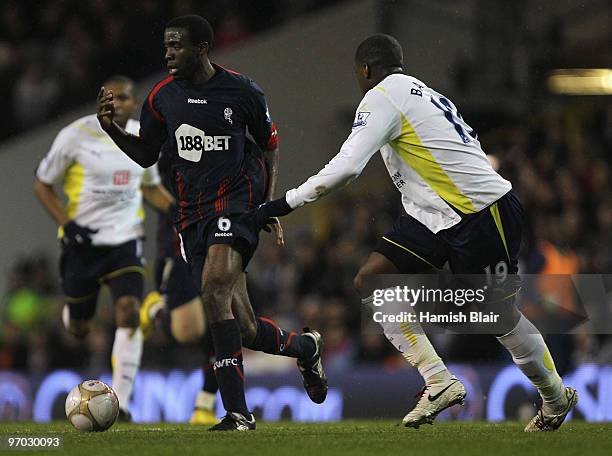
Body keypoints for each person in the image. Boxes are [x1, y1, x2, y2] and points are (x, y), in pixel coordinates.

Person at [251, 34, 578, 432]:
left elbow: (348, 166)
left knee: (497, 317)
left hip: (480, 211)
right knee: (372, 279)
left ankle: (555, 398)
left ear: (365, 70)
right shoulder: (424, 92)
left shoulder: (382, 96)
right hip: (433, 214)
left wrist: (283, 203)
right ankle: (438, 381)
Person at [96, 15, 327, 431]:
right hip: (192, 216)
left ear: (201, 48)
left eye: (176, 46)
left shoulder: (241, 91)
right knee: (244, 327)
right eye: (166, 46)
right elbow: (147, 155)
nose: (168, 53)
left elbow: (270, 145)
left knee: (213, 287)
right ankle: (304, 347)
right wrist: (111, 130)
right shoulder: (160, 98)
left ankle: (238, 413)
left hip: (237, 205)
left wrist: (269, 206)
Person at [34, 75, 173, 421]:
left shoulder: (144, 137)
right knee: (78, 330)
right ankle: (73, 313)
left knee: (129, 311)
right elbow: (42, 184)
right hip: (83, 244)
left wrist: (181, 213)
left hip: (125, 241)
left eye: (123, 98)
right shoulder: (75, 135)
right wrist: (66, 224)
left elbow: (151, 188)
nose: (117, 104)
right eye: (109, 98)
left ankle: (121, 403)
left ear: (135, 101)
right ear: (100, 101)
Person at [139, 142, 219, 425]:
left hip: (219, 238)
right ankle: (155, 312)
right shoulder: (162, 139)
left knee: (222, 322)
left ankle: (205, 405)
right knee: (189, 332)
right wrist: (178, 212)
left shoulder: (220, 128)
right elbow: (146, 183)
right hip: (178, 247)